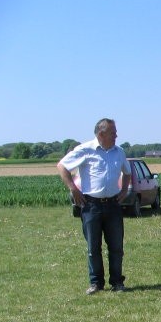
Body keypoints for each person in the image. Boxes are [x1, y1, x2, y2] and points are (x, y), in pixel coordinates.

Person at [57, 118, 132, 295]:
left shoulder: (119, 151)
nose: (116, 135)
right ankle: (96, 283)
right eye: (113, 133)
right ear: (101, 134)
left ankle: (117, 282)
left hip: (113, 205)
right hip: (91, 206)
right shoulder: (85, 150)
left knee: (116, 247)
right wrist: (73, 189)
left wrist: (124, 191)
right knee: (93, 247)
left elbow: (127, 172)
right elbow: (62, 166)